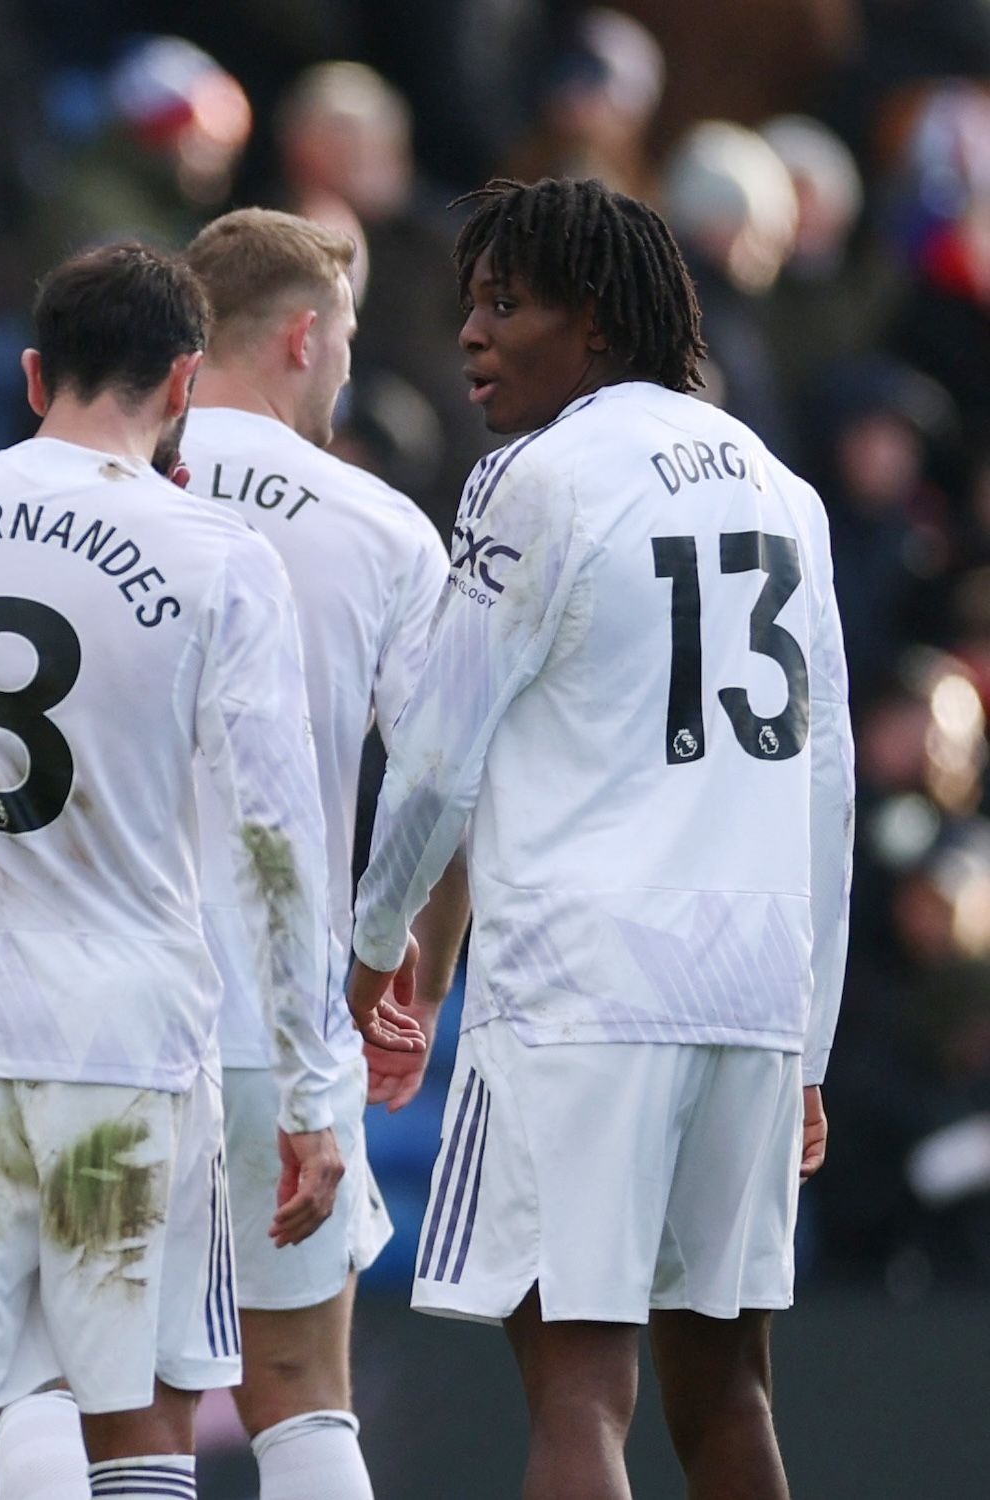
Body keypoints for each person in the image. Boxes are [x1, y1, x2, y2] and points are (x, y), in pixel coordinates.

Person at [0, 241, 423, 1500]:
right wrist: (317, 1086)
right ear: (186, 382)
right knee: (139, 1427)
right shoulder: (215, 557)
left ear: (35, 372)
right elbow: (276, 842)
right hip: (126, 1045)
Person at [346, 176, 854, 1500]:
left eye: (507, 304)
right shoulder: (784, 489)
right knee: (730, 1389)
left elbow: (439, 748)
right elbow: (829, 780)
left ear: (601, 326)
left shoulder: (539, 474)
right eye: (470, 305)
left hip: (587, 983)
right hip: (750, 984)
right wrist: (811, 1040)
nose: (472, 334)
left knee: (580, 1388)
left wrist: (374, 942)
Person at [176, 208, 473, 1500]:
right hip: (281, 1018)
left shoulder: (78, 488)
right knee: (300, 1391)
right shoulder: (383, 529)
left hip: (88, 1008)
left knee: (72, 1381)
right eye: (344, 340)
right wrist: (414, 975)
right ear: (305, 334)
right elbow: (446, 782)